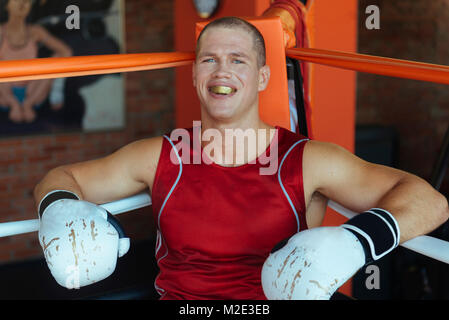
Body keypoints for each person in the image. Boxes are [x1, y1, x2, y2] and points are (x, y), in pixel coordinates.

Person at [34, 17, 448, 300]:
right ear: (195, 73)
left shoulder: (308, 160)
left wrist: (360, 240)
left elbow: (429, 201)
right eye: (209, 60)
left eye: (238, 60)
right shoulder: (159, 155)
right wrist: (60, 209)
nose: (221, 72)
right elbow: (62, 175)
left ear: (263, 77)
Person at [0, 0, 72, 123]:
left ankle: (28, 104)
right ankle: (14, 105)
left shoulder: (35, 32)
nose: (23, 4)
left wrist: (57, 87)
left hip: (34, 91)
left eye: (27, 1)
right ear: (7, 5)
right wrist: (12, 103)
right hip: (4, 93)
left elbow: (65, 52)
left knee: (52, 62)